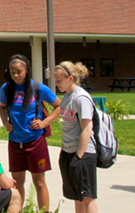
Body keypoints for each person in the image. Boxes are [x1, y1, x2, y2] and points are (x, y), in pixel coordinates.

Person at [0, 55, 61, 211]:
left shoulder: (38, 88)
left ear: (27, 70)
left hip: (35, 141)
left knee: (39, 183)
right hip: (15, 142)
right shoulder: (6, 88)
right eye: (12, 72)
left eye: (19, 71)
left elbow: (60, 106)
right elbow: (2, 107)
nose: (16, 75)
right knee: (17, 182)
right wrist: (5, 122)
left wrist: (44, 123)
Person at [54, 61, 99, 213]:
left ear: (70, 78)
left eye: (59, 80)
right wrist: (63, 151)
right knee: (77, 196)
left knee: (87, 197)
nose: (56, 84)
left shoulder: (81, 98)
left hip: (83, 154)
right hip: (69, 152)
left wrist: (79, 156)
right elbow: (67, 127)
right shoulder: (66, 97)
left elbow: (86, 129)